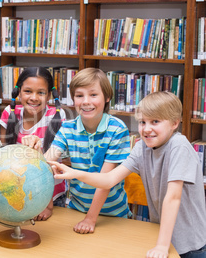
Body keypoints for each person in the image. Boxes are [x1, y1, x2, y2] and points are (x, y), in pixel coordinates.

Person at [50, 91, 206, 258]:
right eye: (142, 122)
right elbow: (109, 179)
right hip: (162, 239)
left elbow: (173, 197)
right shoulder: (141, 147)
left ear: (175, 123)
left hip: (189, 245)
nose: (146, 129)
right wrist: (74, 173)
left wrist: (162, 245)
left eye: (155, 121)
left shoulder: (179, 146)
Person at [31, 67, 131, 232]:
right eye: (79, 95)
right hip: (76, 211)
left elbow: (105, 181)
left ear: (107, 97)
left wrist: (90, 219)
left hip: (113, 215)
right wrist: (47, 205)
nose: (85, 101)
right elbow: (47, 164)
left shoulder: (117, 129)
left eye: (93, 95)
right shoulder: (68, 128)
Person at [0, 67, 66, 221]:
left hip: (52, 197)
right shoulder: (10, 112)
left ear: (49, 95)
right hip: (20, 194)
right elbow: (3, 156)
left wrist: (47, 205)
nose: (34, 97)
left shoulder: (56, 115)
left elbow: (57, 161)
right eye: (28, 91)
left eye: (41, 92)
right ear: (19, 92)